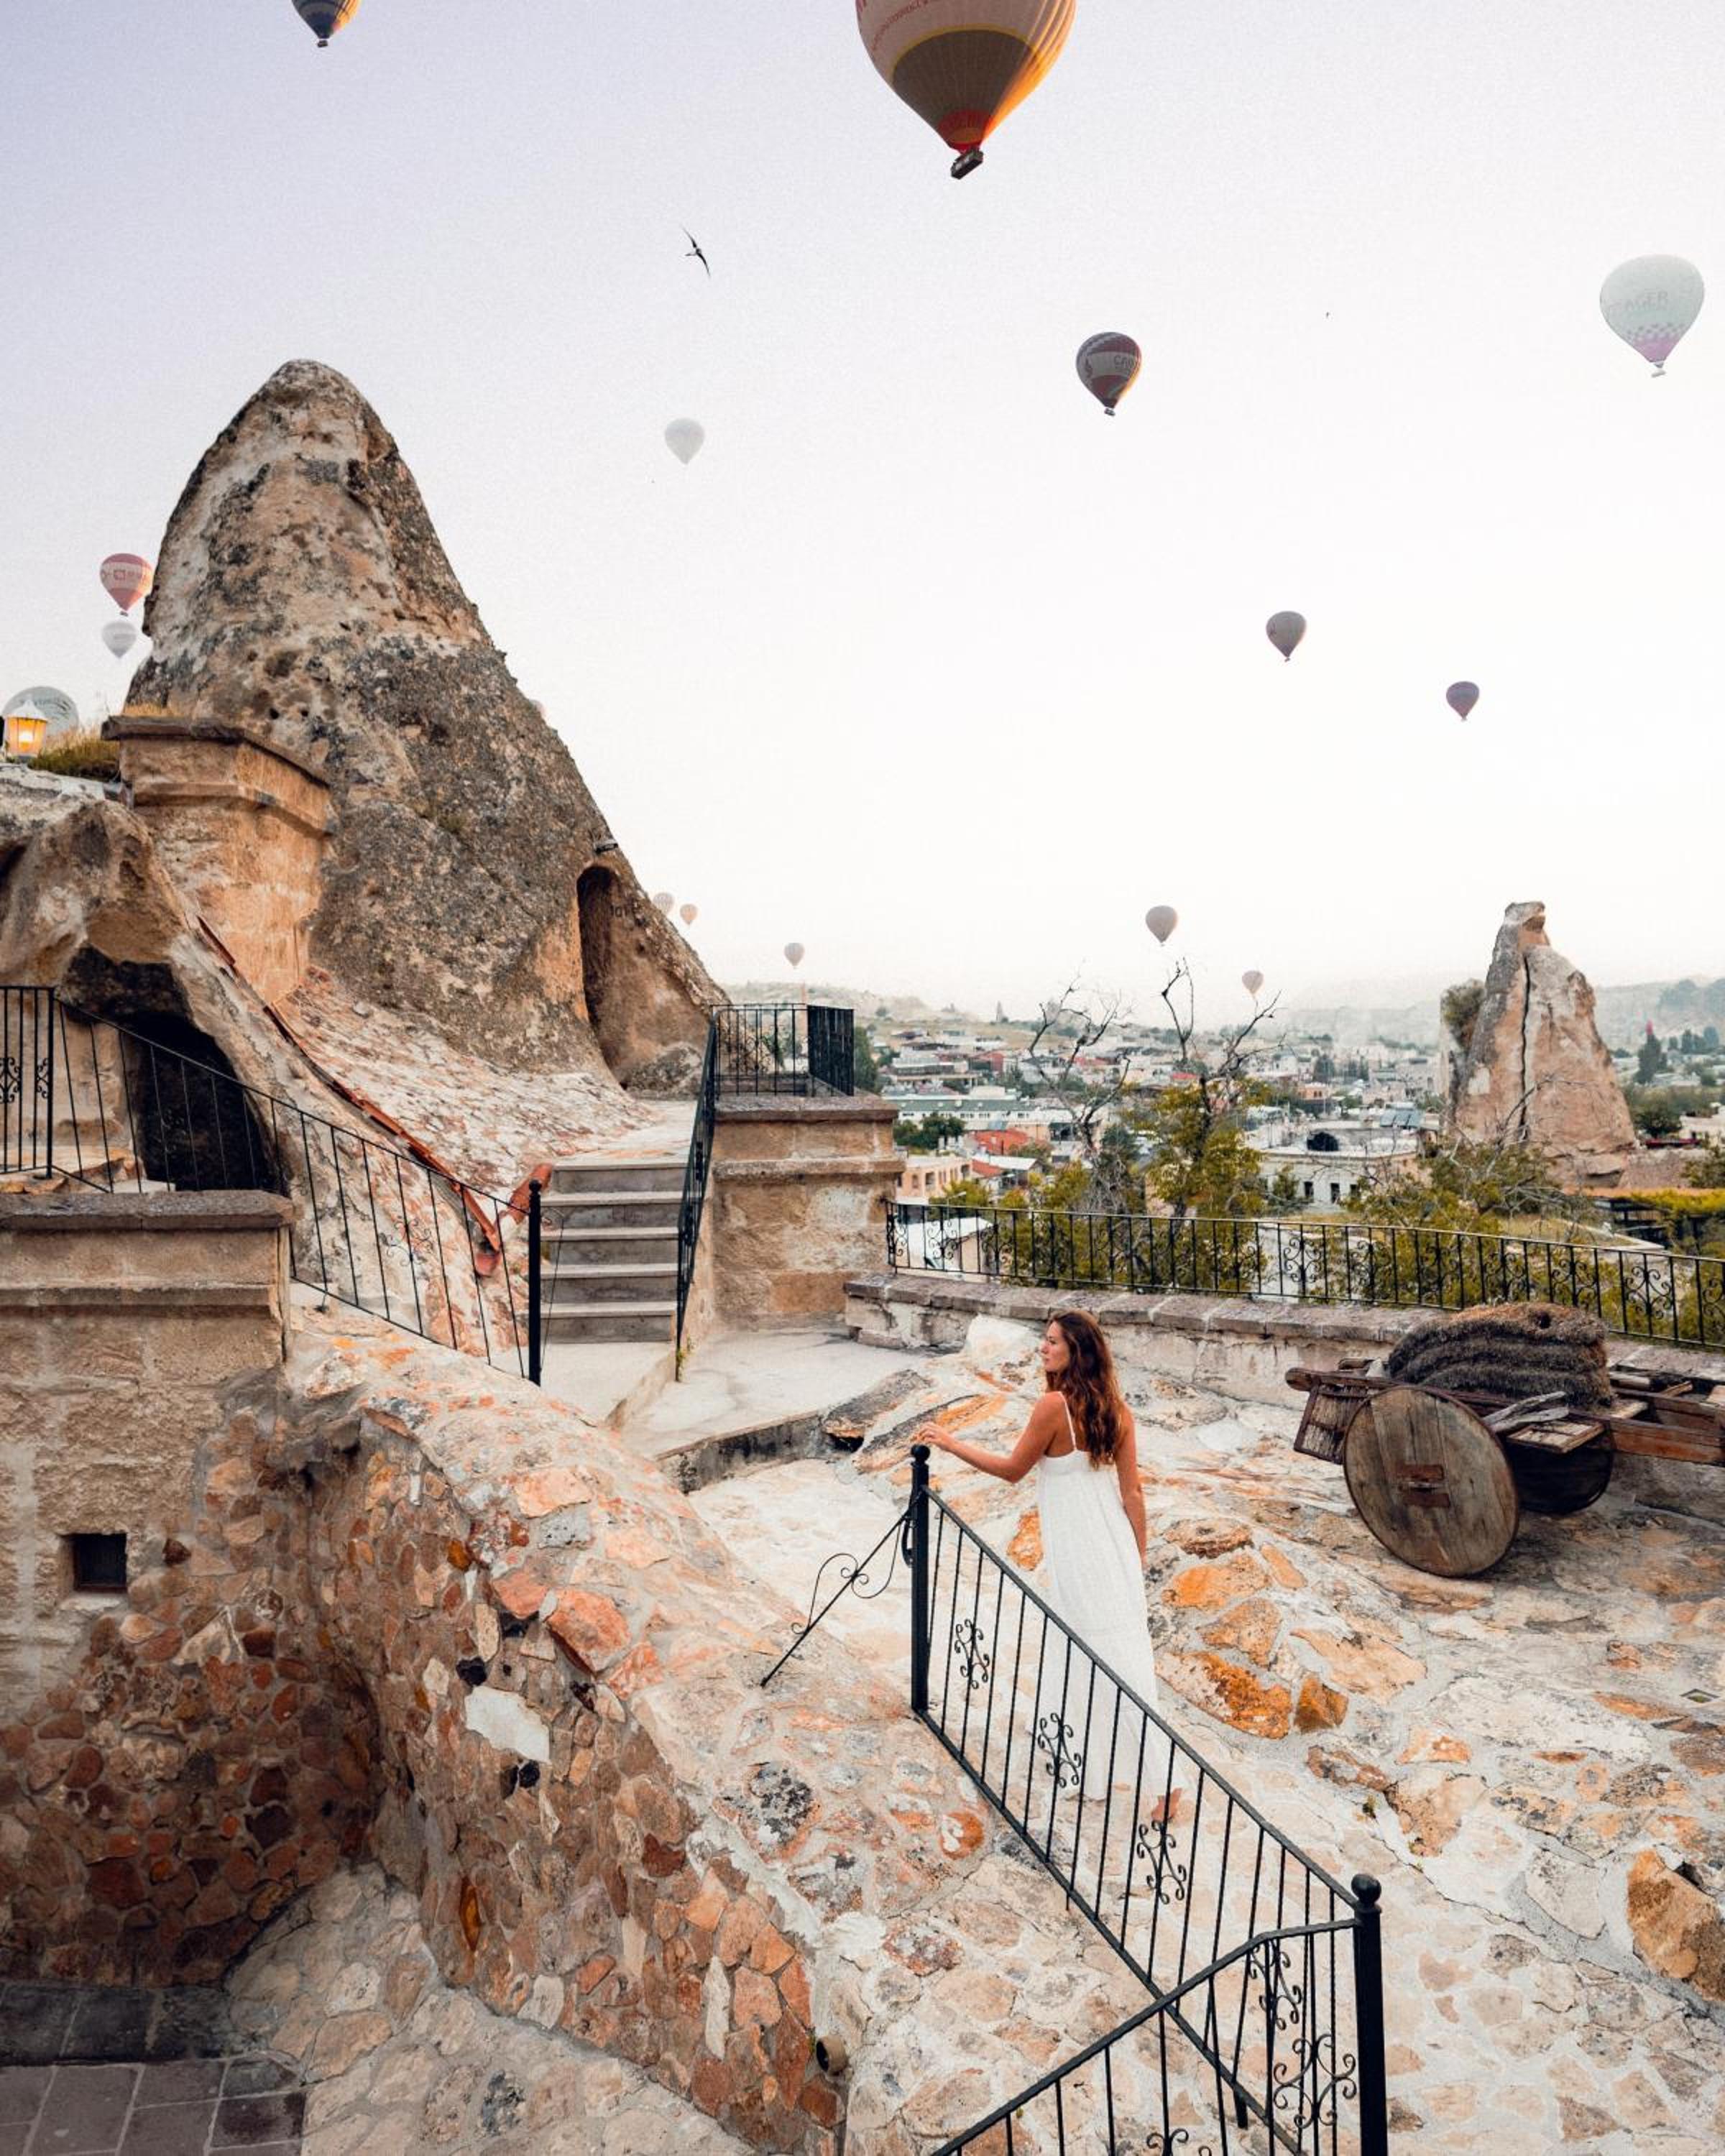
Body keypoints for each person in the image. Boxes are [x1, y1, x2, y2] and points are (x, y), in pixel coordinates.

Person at [918, 1310, 1174, 1819]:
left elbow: (1013, 1470)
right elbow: (1133, 1494)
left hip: (1081, 1553)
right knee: (1121, 1655)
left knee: (1089, 1652)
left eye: (1052, 1342)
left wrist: (949, 1443)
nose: (1043, 1348)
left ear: (1075, 1351)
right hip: (1117, 1548)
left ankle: (1161, 1777)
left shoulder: (1053, 1407)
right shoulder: (1117, 1410)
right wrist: (1136, 1559)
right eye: (1044, 1340)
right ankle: (1109, 1770)